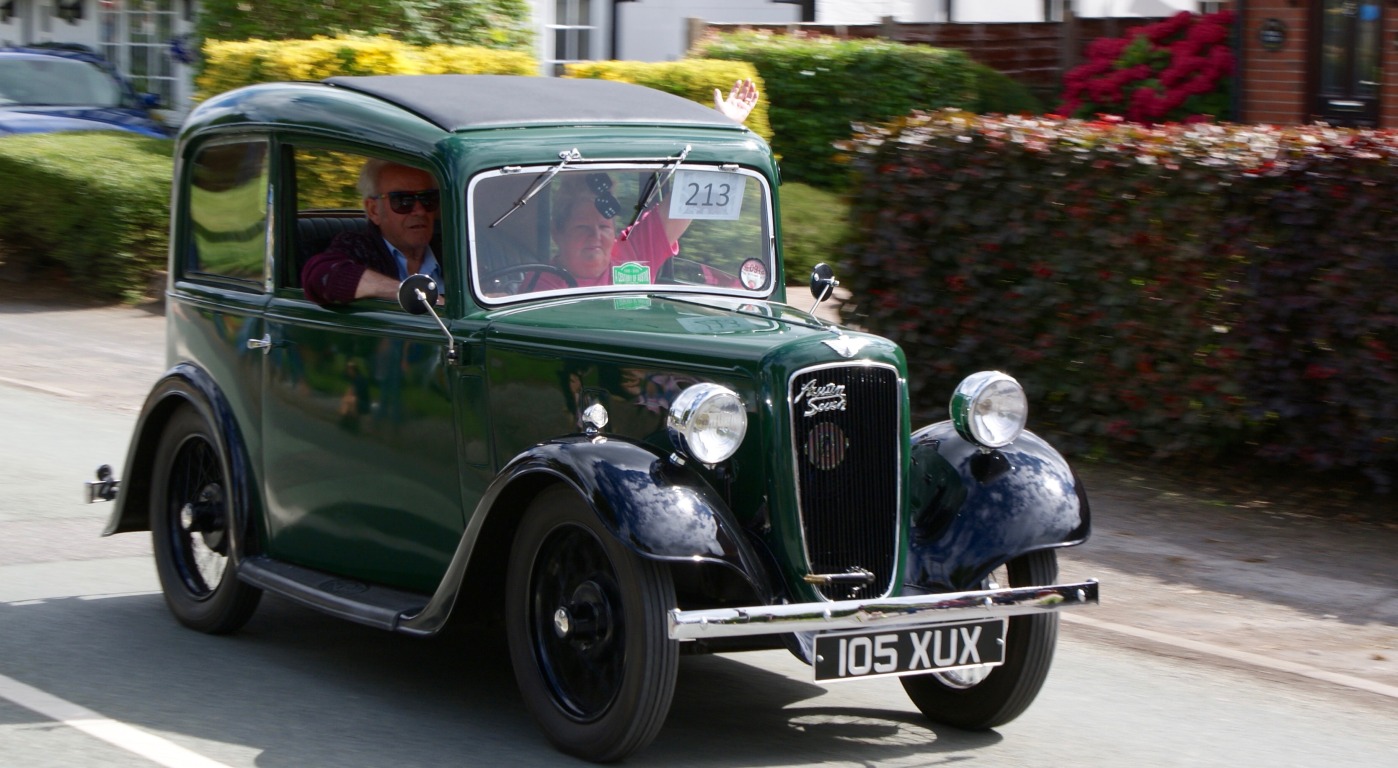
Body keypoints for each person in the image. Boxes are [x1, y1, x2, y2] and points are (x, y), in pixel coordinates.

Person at [539, 79, 762, 291]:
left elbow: (687, 202)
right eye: (583, 228)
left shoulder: (632, 254)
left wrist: (725, 126)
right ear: (558, 233)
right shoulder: (544, 283)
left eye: (604, 227)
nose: (595, 236)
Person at [302, 160, 444, 306]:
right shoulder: (357, 247)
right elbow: (320, 276)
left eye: (428, 199)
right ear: (374, 210)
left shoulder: (451, 249)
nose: (420, 211)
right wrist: (409, 292)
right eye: (403, 201)